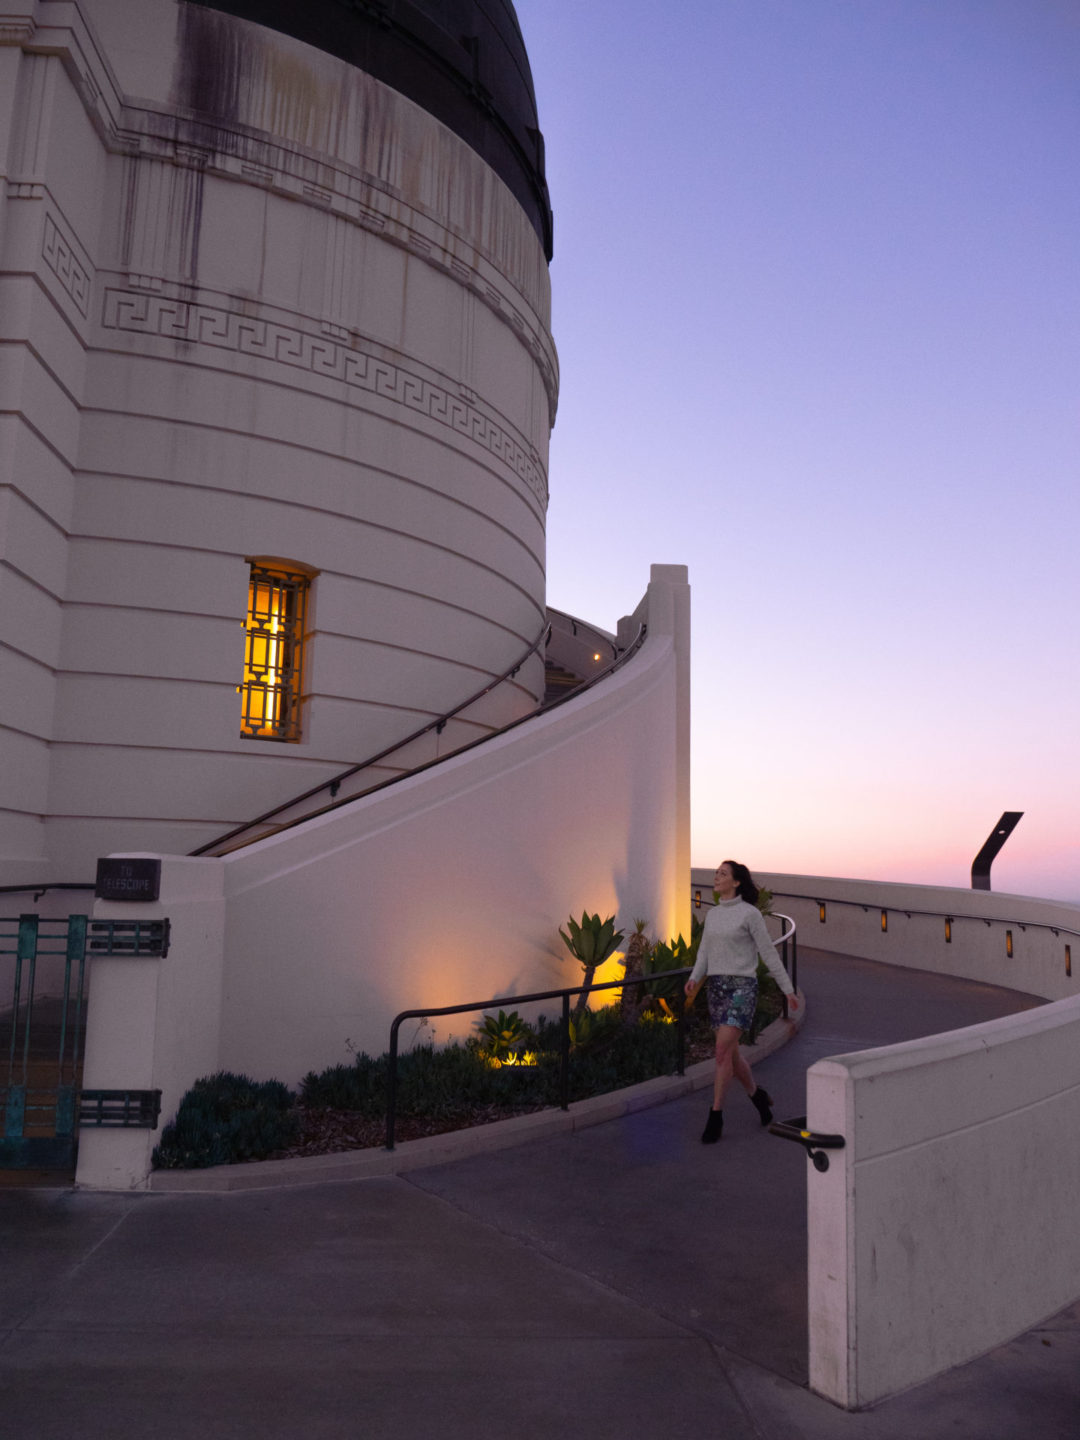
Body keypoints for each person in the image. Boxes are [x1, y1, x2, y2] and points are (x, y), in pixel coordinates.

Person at [684, 860, 799, 1143]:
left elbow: (768, 954)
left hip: (742, 989)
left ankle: (716, 1116)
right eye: (716, 873)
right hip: (717, 988)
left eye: (723, 874)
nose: (716, 877)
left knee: (721, 1050)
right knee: (731, 1055)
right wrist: (695, 978)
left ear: (736, 882)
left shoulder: (750, 915)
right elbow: (704, 953)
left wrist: (787, 989)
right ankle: (757, 1097)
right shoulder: (713, 916)